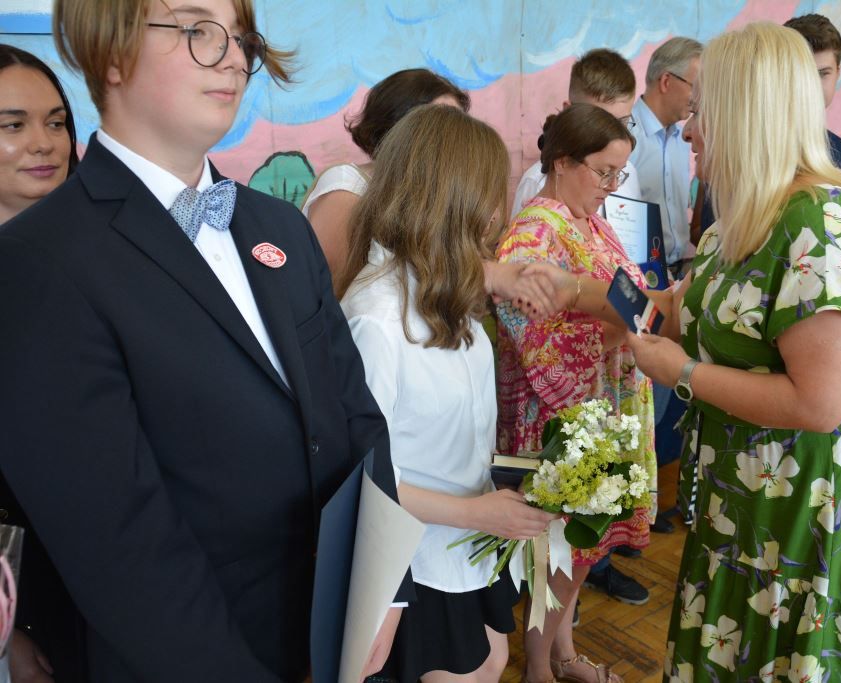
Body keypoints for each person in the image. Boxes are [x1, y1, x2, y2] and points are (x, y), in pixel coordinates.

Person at [0, 1, 414, 681]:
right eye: (197, 30)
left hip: (333, 635)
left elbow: (357, 417)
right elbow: (121, 548)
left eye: (240, 38)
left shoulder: (279, 225)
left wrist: (382, 588)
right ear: (112, 53)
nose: (232, 59)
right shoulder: (39, 263)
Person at [625, 22, 841, 680]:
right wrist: (596, 296)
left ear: (745, 115)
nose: (690, 132)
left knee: (772, 655)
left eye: (700, 113)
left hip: (800, 495)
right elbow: (698, 313)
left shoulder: (821, 222)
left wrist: (684, 374)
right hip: (742, 482)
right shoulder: (741, 218)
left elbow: (820, 403)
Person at [339, 104, 558, 683]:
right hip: (416, 557)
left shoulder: (444, 288)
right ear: (452, 202)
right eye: (489, 197)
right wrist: (475, 511)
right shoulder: (378, 320)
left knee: (493, 659)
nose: (497, 216)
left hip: (466, 536)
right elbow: (362, 481)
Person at [495, 103, 653, 683]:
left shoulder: (588, 220)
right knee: (560, 550)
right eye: (602, 171)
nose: (611, 186)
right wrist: (625, 328)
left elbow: (631, 296)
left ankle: (562, 653)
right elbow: (535, 340)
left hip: (602, 408)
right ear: (561, 162)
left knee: (581, 548)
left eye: (619, 174)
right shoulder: (534, 232)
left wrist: (636, 317)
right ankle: (539, 666)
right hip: (562, 419)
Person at [0, 42, 83, 683]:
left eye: (56, 122)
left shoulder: (108, 259)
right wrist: (16, 624)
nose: (43, 143)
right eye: (13, 125)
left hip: (114, 573)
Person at [301, 68, 469, 298]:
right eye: (440, 127)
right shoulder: (347, 189)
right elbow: (335, 296)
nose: (457, 140)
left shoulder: (432, 193)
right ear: (396, 126)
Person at [512, 48, 641, 215]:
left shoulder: (627, 173)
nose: (612, 137)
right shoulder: (537, 182)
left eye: (621, 123)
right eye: (599, 121)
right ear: (569, 112)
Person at [629, 36, 702, 277]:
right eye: (696, 86)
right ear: (666, 81)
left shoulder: (683, 138)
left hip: (681, 271)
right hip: (639, 274)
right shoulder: (624, 137)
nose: (700, 97)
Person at [784, 13, 841, 185]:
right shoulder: (750, 149)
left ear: (837, 74)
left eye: (823, 74)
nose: (812, 85)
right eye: (803, 73)